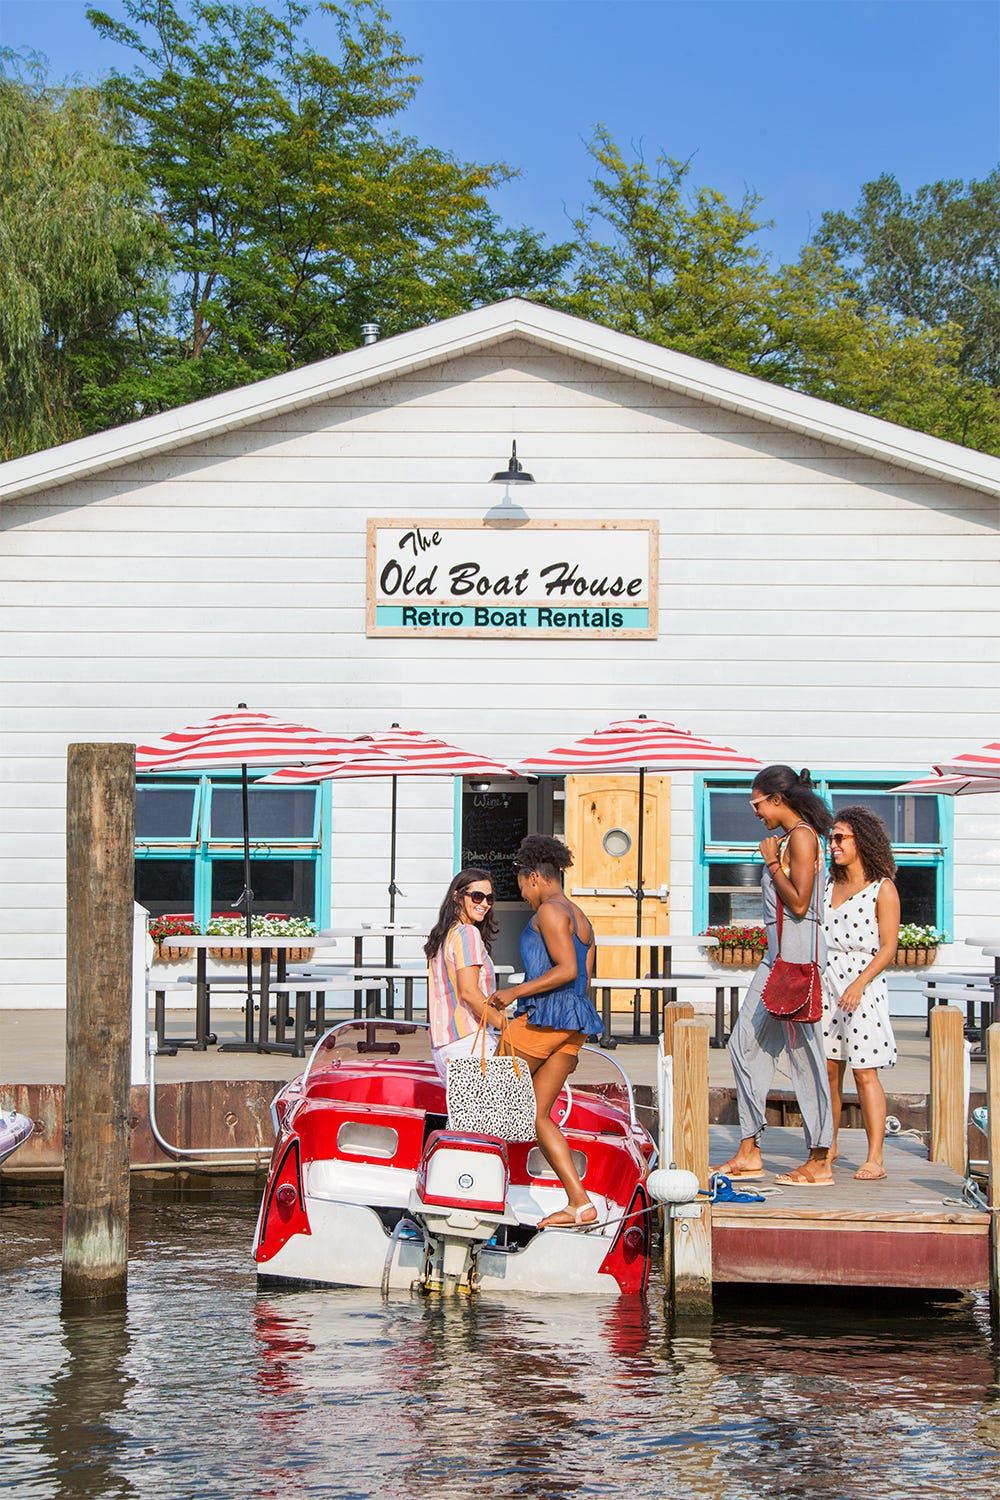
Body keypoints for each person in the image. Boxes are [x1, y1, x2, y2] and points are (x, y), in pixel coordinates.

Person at [713, 765, 836, 1188]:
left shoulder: (800, 837)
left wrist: (771, 863)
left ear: (776, 799)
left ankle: (821, 1158)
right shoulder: (787, 839)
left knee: (805, 1056)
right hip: (776, 956)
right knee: (743, 1044)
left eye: (757, 803)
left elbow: (801, 904)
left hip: (798, 957)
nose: (755, 813)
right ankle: (750, 1149)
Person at [492, 834, 605, 1228]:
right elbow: (585, 979)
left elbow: (567, 971)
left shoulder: (550, 913)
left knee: (493, 1103)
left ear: (534, 878)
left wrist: (514, 993)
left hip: (544, 1021)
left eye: (522, 885)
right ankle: (580, 1203)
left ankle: (476, 1191)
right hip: (572, 1025)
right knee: (537, 1115)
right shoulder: (581, 917)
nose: (523, 894)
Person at [821, 806, 900, 1181]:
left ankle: (875, 1157)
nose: (832, 845)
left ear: (861, 841)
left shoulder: (882, 888)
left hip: (862, 983)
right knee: (828, 1070)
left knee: (864, 1072)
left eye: (840, 838)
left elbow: (888, 947)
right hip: (826, 981)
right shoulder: (825, 883)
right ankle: (830, 1144)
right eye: (830, 838)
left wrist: (858, 983)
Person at [424, 868, 506, 1083]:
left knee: (464, 1117)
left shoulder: (443, 937)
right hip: (470, 1043)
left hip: (444, 1047)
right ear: (457, 897)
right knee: (486, 1116)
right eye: (477, 896)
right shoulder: (467, 933)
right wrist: (506, 1026)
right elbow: (469, 992)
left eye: (490, 898)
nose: (484, 903)